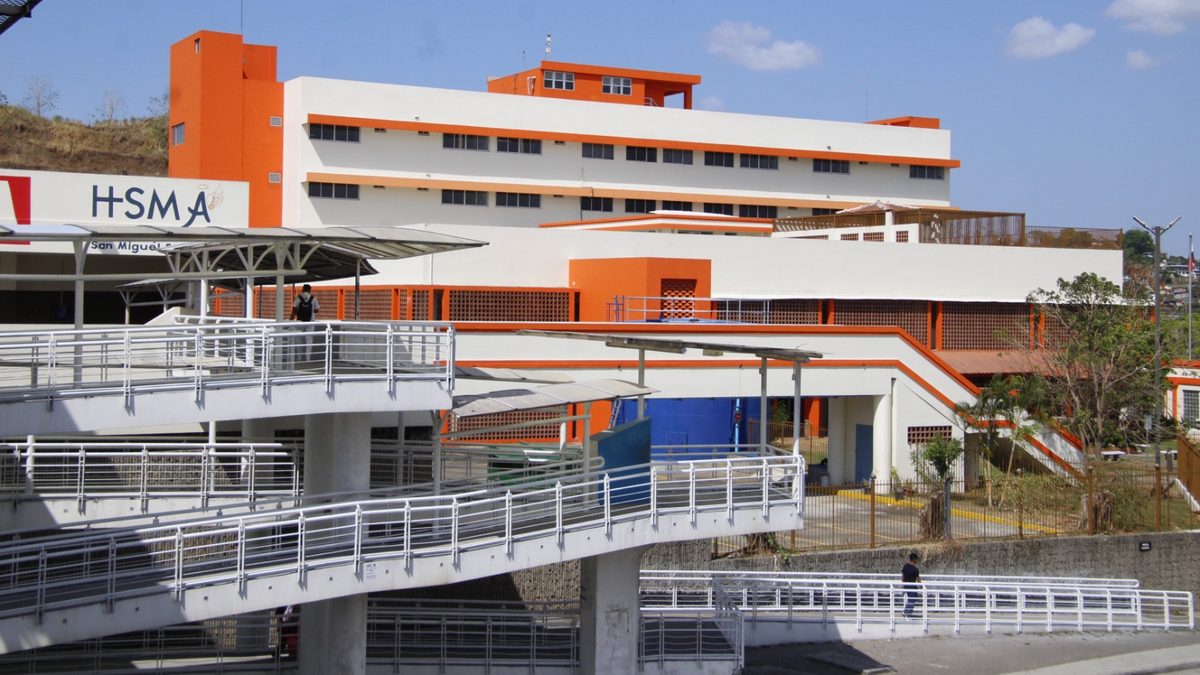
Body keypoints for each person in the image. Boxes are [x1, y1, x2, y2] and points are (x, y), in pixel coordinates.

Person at [289, 284, 320, 362]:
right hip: (310, 322)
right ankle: (308, 358)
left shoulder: (298, 298)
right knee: (309, 340)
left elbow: (294, 309)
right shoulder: (313, 298)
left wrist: (291, 319)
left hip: (300, 322)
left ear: (302, 289)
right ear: (310, 290)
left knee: (299, 339)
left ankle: (299, 357)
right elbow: (316, 310)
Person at [901, 551, 922, 617]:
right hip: (912, 586)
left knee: (911, 599)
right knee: (912, 598)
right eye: (916, 559)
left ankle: (909, 612)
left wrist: (903, 583)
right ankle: (906, 611)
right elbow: (918, 579)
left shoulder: (905, 566)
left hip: (906, 585)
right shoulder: (915, 569)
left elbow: (903, 576)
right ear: (914, 559)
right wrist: (921, 586)